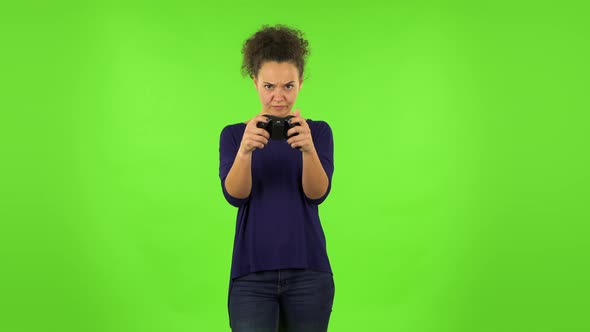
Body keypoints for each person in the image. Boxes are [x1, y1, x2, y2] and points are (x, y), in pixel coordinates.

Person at [218, 24, 335, 331]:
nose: (279, 97)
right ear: (255, 82)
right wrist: (244, 152)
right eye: (269, 86)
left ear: (300, 83)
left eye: (288, 86)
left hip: (309, 271)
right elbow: (235, 196)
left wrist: (308, 150)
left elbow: (317, 194)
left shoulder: (319, 132)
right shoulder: (233, 135)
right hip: (251, 274)